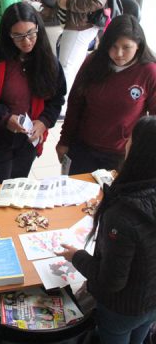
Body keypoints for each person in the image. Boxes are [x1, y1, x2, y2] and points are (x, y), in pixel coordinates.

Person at [56, 115, 156, 344]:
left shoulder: (122, 215)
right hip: (151, 302)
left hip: (123, 308)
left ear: (138, 150)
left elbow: (111, 281)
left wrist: (77, 257)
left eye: (131, 138)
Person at [0, 2, 66, 185]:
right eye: (18, 36)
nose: (26, 41)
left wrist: (44, 122)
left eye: (31, 33)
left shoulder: (48, 60)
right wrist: (5, 117)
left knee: (18, 189)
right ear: (8, 35)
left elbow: (57, 98)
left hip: (28, 140)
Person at [56, 14, 156, 175]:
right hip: (83, 148)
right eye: (113, 46)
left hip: (121, 155)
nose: (119, 53)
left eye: (126, 47)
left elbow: (153, 122)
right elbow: (75, 104)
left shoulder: (149, 72)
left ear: (138, 45)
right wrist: (64, 140)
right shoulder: (94, 61)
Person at [58, 0, 118, 116]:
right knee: (71, 63)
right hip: (77, 22)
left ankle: (61, 108)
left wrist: (68, 3)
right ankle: (66, 102)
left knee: (66, 65)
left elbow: (98, 0)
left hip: (82, 24)